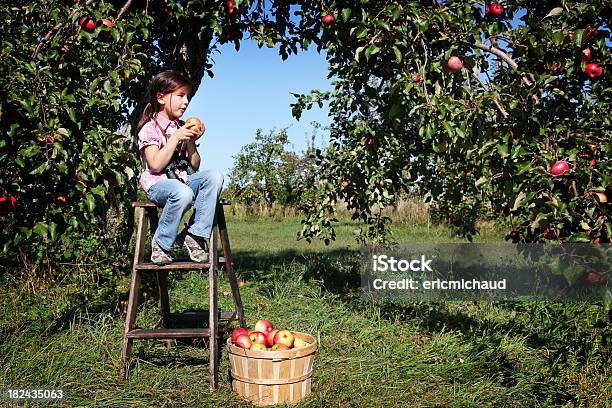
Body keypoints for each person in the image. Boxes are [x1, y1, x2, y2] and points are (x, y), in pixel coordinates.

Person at [136, 70, 224, 265]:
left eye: (187, 97)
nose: (185, 102)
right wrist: (175, 138)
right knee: (183, 193)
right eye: (180, 96)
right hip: (159, 185)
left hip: (182, 181)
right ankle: (161, 243)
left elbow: (194, 165)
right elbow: (156, 164)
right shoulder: (149, 128)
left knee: (214, 176)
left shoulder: (181, 126)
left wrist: (190, 141)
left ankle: (194, 234)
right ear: (160, 97)